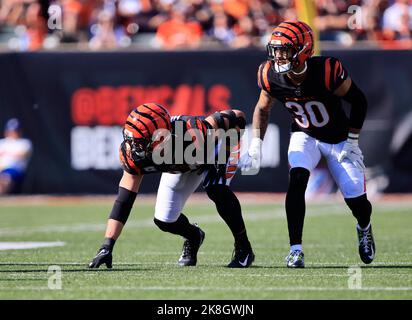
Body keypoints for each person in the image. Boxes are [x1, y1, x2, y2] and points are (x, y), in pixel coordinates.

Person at [240, 20, 375, 268]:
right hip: (305, 135)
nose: (278, 56)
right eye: (276, 49)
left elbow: (358, 101)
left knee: (357, 201)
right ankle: (295, 249)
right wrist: (256, 144)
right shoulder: (269, 74)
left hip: (339, 139)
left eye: (285, 49)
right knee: (297, 180)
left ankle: (364, 227)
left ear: (303, 50)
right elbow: (262, 108)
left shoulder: (327, 70)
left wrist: (353, 140)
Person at [89, 103, 255, 269]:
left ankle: (244, 248)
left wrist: (229, 148)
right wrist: (107, 246)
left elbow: (237, 116)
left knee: (216, 188)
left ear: (160, 139)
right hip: (182, 164)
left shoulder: (192, 133)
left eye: (139, 143)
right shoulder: (132, 154)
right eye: (132, 141)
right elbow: (124, 201)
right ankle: (194, 236)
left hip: (211, 151)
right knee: (164, 220)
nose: (133, 148)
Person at [0, 118, 32, 195]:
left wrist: (6, 153)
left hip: (15, 171)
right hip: (1, 169)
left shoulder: (24, 143)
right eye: (11, 130)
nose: (13, 133)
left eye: (15, 131)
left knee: (5, 179)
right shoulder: (2, 142)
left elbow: (22, 154)